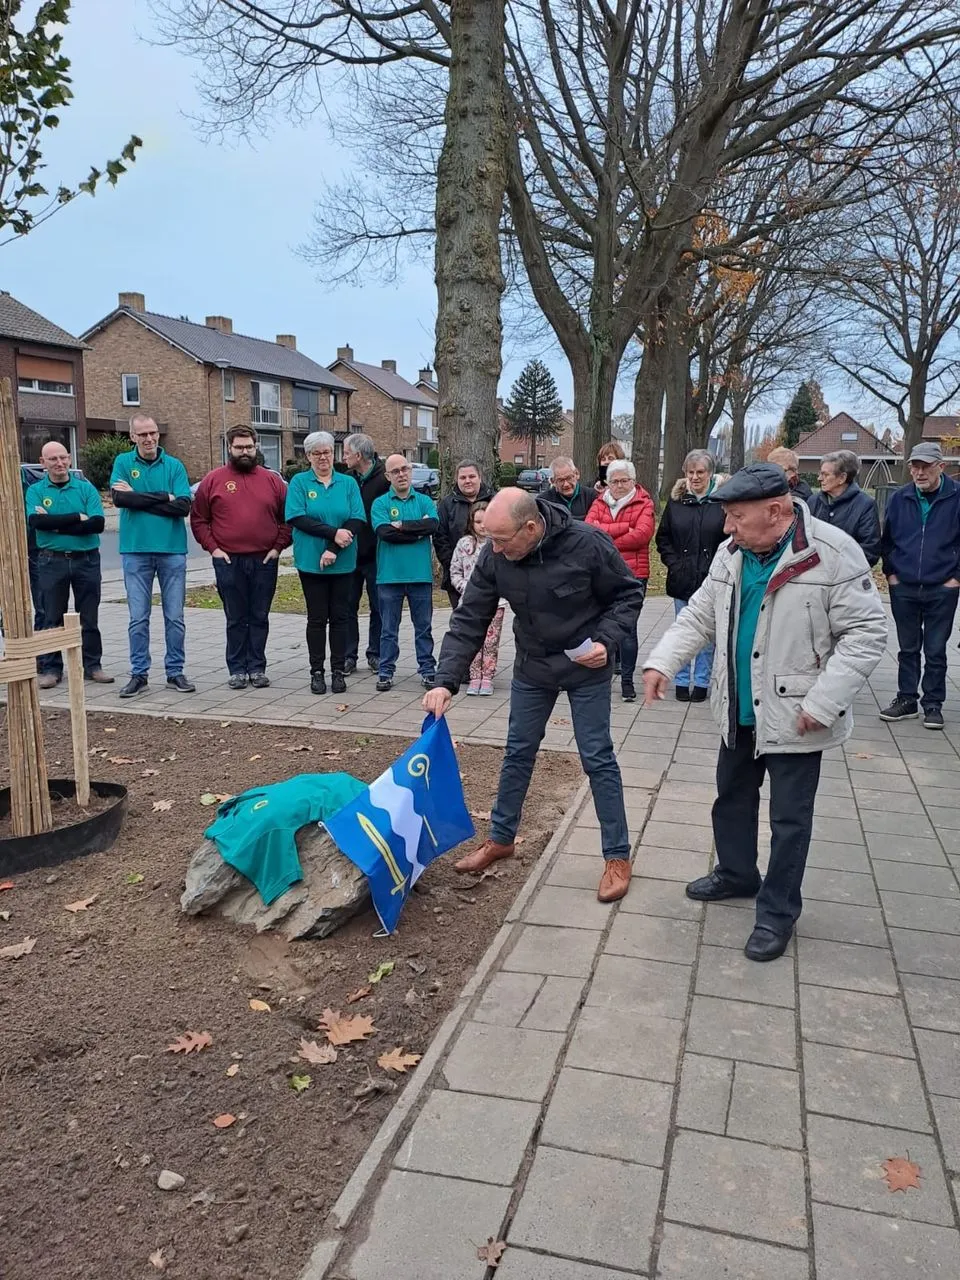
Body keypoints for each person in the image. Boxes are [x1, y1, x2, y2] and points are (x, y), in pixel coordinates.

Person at [642, 464, 887, 961]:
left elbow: (866, 636)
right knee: (730, 798)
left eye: (736, 516)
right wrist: (663, 661)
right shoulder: (732, 553)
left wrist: (823, 702)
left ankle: (777, 913)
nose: (727, 527)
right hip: (738, 707)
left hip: (798, 714)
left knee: (789, 821)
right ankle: (736, 874)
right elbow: (699, 614)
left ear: (776, 511)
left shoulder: (833, 554)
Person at [423, 488, 646, 903]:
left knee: (597, 755)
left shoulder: (587, 544)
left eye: (503, 540)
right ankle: (501, 838)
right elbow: (470, 616)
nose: (495, 549)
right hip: (533, 664)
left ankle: (617, 856)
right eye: (491, 539)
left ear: (531, 527)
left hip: (586, 665)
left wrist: (607, 641)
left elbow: (628, 594)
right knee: (518, 751)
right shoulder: (496, 554)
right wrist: (444, 680)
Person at [190, 425, 291, 689]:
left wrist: (277, 548)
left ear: (256, 447)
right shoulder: (213, 480)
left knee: (259, 615)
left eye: (249, 447)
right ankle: (236, 669)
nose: (244, 452)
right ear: (229, 448)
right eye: (239, 447)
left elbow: (288, 519)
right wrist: (214, 549)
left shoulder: (273, 481)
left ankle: (257, 667)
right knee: (235, 617)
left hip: (264, 560)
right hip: (228, 561)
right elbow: (199, 520)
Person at [111, 414, 195, 698]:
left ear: (159, 435)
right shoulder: (123, 462)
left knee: (175, 617)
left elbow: (184, 506)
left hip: (172, 551)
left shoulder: (174, 466)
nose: (149, 439)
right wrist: (163, 497)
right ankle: (139, 674)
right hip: (136, 551)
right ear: (132, 436)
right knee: (138, 617)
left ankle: (175, 671)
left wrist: (140, 497)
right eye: (142, 434)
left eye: (153, 433)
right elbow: (121, 499)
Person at [879, 441, 960, 729]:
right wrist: (891, 574)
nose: (919, 471)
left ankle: (933, 704)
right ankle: (907, 699)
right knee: (907, 647)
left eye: (926, 466)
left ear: (941, 466)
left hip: (943, 586)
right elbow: (886, 539)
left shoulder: (956, 496)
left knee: (936, 649)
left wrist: (956, 578)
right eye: (915, 465)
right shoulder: (900, 498)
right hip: (905, 586)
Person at [26, 440, 113, 688]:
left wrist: (54, 522)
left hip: (86, 560)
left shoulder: (85, 489)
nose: (59, 463)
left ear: (70, 459)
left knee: (89, 616)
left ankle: (92, 666)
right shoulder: (35, 491)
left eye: (63, 457)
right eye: (53, 459)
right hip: (51, 561)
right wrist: (77, 518)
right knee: (50, 616)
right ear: (43, 463)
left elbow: (96, 525)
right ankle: (51, 669)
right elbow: (36, 523)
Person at [285, 431, 365, 696]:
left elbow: (356, 519)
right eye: (316, 453)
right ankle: (316, 672)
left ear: (334, 454)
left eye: (327, 452)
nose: (323, 457)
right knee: (317, 619)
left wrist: (332, 548)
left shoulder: (348, 483)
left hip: (343, 562)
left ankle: (338, 671)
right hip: (311, 564)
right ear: (308, 456)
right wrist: (332, 534)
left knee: (341, 617)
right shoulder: (299, 483)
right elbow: (298, 518)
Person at [655, 449, 728, 702]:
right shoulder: (676, 502)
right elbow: (663, 538)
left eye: (700, 472)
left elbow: (730, 540)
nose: (695, 477)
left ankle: (701, 681)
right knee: (683, 631)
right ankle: (682, 679)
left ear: (710, 473)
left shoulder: (722, 502)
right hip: (683, 577)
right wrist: (674, 564)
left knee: (707, 634)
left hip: (711, 579)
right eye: (690, 472)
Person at [585, 459, 654, 702]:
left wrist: (607, 537)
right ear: (607, 483)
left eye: (625, 480)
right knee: (602, 628)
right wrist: (625, 527)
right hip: (603, 575)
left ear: (633, 481)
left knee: (627, 630)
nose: (620, 485)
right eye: (614, 481)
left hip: (633, 575)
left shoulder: (644, 502)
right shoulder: (599, 502)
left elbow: (642, 535)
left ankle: (626, 682)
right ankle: (602, 679)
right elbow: (588, 529)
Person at [371, 454, 439, 692]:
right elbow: (384, 533)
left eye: (405, 469)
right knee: (388, 630)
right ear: (388, 476)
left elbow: (432, 525)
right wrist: (416, 530)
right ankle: (386, 671)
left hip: (420, 576)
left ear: (411, 471)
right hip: (389, 577)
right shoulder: (380, 504)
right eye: (395, 471)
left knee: (424, 628)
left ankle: (428, 670)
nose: (401, 474)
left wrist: (402, 526)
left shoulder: (424, 500)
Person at [342, 433, 390, 674]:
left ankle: (376, 654)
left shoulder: (385, 480)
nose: (343, 457)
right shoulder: (346, 480)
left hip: (375, 556)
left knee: (378, 607)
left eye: (346, 453)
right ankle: (348, 656)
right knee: (348, 606)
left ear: (358, 455)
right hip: (349, 555)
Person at [449, 501, 505, 695]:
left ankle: (487, 676)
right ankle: (474, 677)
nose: (482, 526)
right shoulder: (465, 544)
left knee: (490, 642)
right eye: (477, 521)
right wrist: (467, 588)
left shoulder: (499, 544)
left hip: (496, 603)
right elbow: (455, 571)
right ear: (471, 523)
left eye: (485, 521)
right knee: (472, 638)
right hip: (470, 602)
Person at [433, 459, 494, 607]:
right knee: (463, 624)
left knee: (491, 626)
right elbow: (440, 538)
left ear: (480, 477)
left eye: (472, 476)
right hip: (458, 578)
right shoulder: (447, 505)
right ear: (456, 480)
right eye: (463, 477)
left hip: (492, 577)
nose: (468, 481)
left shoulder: (494, 501)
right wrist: (454, 564)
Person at [808, 450, 881, 567]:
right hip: (813, 578)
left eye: (825, 474)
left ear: (842, 478)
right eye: (820, 473)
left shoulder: (865, 505)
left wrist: (835, 569)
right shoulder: (813, 501)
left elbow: (869, 551)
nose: (819, 478)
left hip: (847, 580)